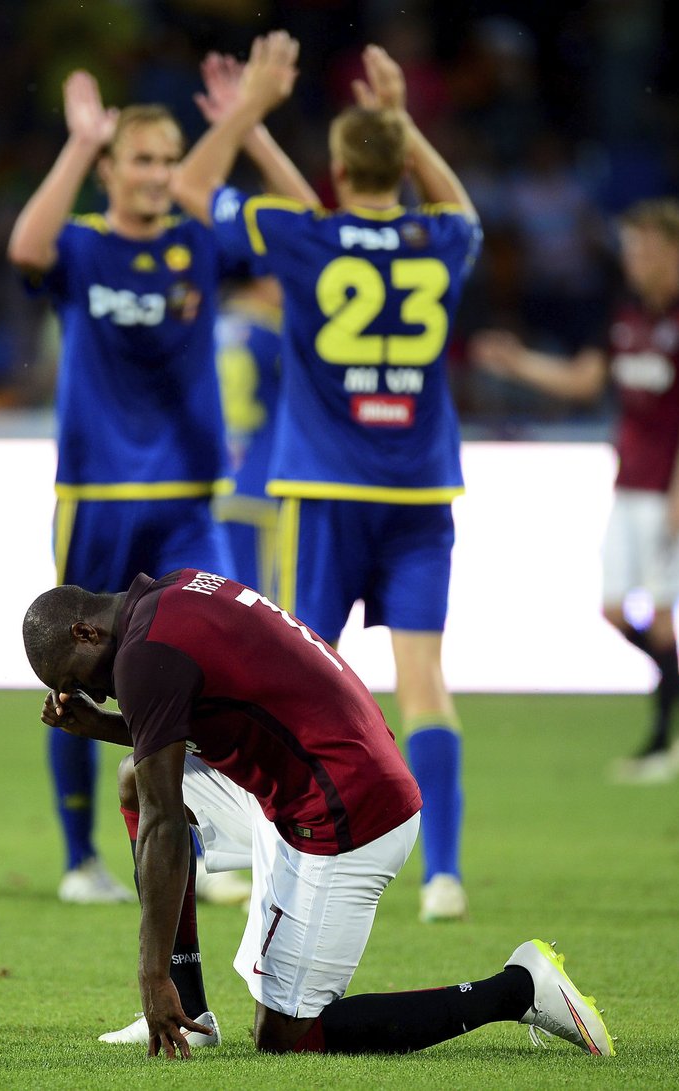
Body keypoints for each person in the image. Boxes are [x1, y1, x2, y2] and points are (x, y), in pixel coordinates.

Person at [21, 565, 615, 1058]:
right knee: (136, 779)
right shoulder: (172, 595)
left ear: (85, 633)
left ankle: (516, 989)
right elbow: (187, 731)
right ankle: (192, 1014)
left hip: (349, 814)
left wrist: (149, 976)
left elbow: (165, 823)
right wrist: (103, 728)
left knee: (286, 1037)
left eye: (81, 680)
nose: (95, 694)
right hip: (313, 781)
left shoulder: (144, 659)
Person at [171, 34, 480, 922]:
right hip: (420, 494)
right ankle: (447, 874)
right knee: (424, 681)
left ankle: (289, 852)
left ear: (336, 170)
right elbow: (461, 208)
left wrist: (248, 111)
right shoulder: (438, 238)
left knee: (310, 680)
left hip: (327, 494)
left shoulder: (307, 240)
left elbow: (195, 192)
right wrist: (402, 123)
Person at [7, 61, 317, 903]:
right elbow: (25, 248)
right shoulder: (81, 246)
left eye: (167, 159)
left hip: (187, 497)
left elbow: (301, 221)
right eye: (139, 159)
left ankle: (211, 839)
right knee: (71, 673)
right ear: (112, 171)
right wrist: (77, 145)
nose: (154, 174)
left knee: (217, 659)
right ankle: (81, 858)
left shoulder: (198, 245)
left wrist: (254, 126)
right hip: (99, 496)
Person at [470, 197, 679, 784]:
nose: (634, 259)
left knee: (662, 617)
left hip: (669, 489)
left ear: (676, 252)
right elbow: (583, 379)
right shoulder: (622, 315)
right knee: (613, 609)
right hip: (628, 485)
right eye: (631, 247)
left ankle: (663, 741)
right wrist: (517, 363)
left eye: (645, 248)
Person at [212, 272, 283, 596]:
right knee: (261, 610)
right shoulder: (276, 336)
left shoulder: (211, 328)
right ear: (259, 280)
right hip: (261, 486)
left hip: (214, 487)